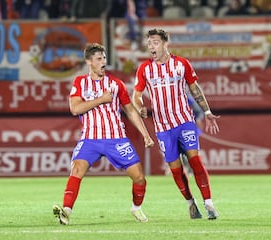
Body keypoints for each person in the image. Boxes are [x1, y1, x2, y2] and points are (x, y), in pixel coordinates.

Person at [53, 43, 155, 225]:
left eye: (105, 58)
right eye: (99, 59)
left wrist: (146, 134)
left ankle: (136, 207)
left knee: (139, 176)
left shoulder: (116, 84)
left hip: (116, 138)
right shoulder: (80, 83)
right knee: (77, 169)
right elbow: (75, 109)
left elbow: (130, 110)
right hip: (90, 139)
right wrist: (101, 99)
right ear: (89, 62)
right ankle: (66, 212)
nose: (103, 62)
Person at [132, 29, 220, 220]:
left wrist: (206, 111)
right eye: (149, 43)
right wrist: (140, 108)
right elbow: (136, 96)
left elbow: (194, 89)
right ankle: (191, 203)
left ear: (165, 43)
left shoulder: (181, 64)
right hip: (163, 127)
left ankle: (209, 203)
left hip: (184, 121)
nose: (151, 46)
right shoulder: (145, 69)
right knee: (176, 169)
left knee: (195, 160)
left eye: (155, 42)